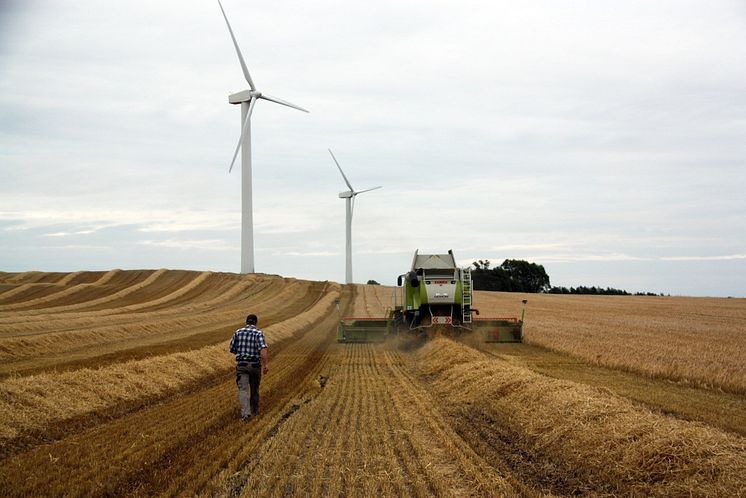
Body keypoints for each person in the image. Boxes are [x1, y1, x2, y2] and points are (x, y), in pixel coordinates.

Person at [229, 314, 269, 420]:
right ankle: (254, 411)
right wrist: (265, 365)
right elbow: (263, 350)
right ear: (256, 322)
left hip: (242, 365)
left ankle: (246, 414)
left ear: (246, 322)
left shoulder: (238, 332)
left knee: (243, 390)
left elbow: (232, 349)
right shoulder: (259, 333)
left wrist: (242, 352)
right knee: (254, 389)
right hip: (255, 365)